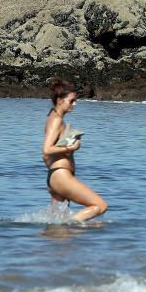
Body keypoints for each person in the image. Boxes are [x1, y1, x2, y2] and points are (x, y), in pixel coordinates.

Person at [42, 78, 108, 222]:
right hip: (61, 176)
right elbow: (46, 149)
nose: (75, 104)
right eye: (71, 101)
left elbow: (45, 157)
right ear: (60, 100)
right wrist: (70, 147)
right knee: (99, 205)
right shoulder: (56, 120)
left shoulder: (53, 117)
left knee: (59, 231)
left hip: (56, 176)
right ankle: (71, 225)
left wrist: (53, 175)